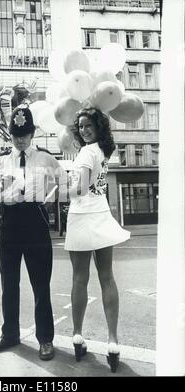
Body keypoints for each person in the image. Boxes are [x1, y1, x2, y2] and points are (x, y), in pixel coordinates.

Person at [0, 105, 66, 361]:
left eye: (25, 133)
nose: (21, 139)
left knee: (41, 285)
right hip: (9, 223)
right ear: (10, 133)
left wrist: (51, 198)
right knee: (9, 283)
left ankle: (45, 339)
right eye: (17, 134)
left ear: (32, 133)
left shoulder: (46, 158)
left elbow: (65, 184)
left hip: (36, 220)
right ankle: (10, 335)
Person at [64, 107, 130, 373]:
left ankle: (78, 335)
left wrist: (58, 188)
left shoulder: (86, 152)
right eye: (80, 127)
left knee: (80, 278)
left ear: (98, 126)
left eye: (88, 125)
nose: (83, 130)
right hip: (101, 213)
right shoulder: (104, 150)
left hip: (81, 215)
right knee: (107, 277)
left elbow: (78, 189)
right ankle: (113, 342)